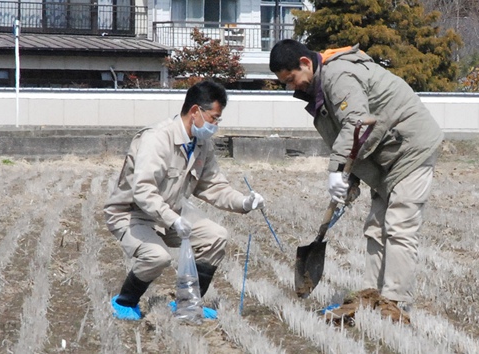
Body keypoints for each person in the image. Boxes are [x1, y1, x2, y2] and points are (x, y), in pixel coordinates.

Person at [269, 39, 443, 322]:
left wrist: (336, 169)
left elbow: (358, 123)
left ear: (305, 63)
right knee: (375, 228)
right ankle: (371, 295)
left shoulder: (338, 76)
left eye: (291, 79)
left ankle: (395, 304)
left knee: (399, 226)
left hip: (410, 149)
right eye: (285, 83)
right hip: (384, 157)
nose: (292, 86)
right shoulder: (320, 90)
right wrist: (349, 181)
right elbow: (352, 138)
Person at [104, 80, 265, 321]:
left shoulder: (201, 143)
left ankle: (189, 302)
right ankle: (124, 301)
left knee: (215, 236)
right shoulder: (156, 139)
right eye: (214, 118)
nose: (215, 125)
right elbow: (144, 191)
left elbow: (212, 185)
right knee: (157, 257)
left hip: (171, 213)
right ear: (195, 111)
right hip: (132, 214)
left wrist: (244, 202)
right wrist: (173, 219)